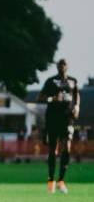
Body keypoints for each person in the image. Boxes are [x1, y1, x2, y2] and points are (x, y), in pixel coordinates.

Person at [37, 59, 80, 193]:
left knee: (66, 149)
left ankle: (61, 180)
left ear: (67, 66)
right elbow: (40, 98)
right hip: (53, 119)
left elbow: (76, 95)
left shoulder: (73, 81)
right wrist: (52, 99)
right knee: (53, 150)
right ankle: (51, 180)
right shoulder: (51, 81)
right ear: (57, 67)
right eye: (59, 65)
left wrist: (77, 106)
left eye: (64, 64)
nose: (62, 67)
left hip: (67, 119)